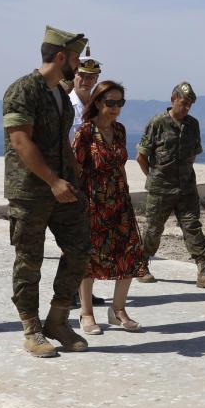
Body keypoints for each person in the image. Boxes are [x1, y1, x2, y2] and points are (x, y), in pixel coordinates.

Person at [2, 25, 91, 357]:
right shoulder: (23, 90)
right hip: (31, 191)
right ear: (59, 57)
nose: (79, 65)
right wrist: (52, 181)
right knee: (29, 261)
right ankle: (32, 329)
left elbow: (63, 142)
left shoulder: (60, 95)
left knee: (81, 249)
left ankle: (57, 319)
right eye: (75, 58)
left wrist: (73, 180)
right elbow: (20, 141)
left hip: (63, 189)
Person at [72, 80, 148, 334]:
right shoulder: (85, 132)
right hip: (92, 203)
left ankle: (118, 310)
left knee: (129, 253)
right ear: (97, 102)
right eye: (110, 102)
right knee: (89, 259)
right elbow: (76, 169)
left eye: (120, 103)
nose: (116, 108)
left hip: (119, 201)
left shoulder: (120, 130)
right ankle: (86, 313)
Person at [135, 82, 205, 288]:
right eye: (183, 103)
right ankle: (142, 264)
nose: (186, 108)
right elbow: (141, 156)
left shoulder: (192, 125)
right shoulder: (157, 123)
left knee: (192, 227)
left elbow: (193, 154)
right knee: (153, 229)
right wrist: (154, 177)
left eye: (189, 104)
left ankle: (203, 270)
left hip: (186, 189)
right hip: (161, 189)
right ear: (173, 99)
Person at [67, 49, 107, 307]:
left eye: (92, 77)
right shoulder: (63, 101)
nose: (87, 81)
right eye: (82, 75)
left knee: (89, 236)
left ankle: (84, 291)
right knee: (71, 236)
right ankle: (70, 290)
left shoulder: (97, 106)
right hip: (70, 175)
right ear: (74, 75)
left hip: (91, 177)